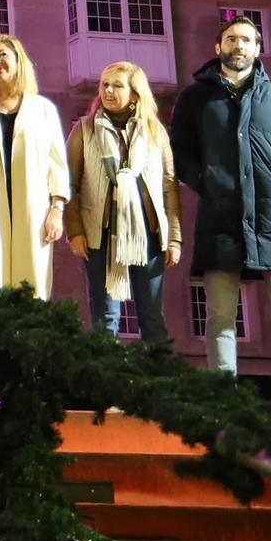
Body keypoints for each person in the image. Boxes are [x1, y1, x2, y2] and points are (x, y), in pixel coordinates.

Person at [171, 16, 271, 416]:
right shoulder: (195, 99)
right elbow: (180, 151)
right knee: (220, 313)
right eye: (232, 39)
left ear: (259, 49)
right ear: (218, 47)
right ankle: (223, 396)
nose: (240, 45)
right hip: (220, 218)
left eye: (248, 40)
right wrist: (206, 182)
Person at [67, 61, 183, 349]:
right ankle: (106, 390)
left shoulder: (156, 133)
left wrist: (175, 238)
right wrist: (75, 231)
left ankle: (158, 385)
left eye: (117, 85)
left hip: (149, 234)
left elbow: (169, 185)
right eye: (104, 84)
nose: (107, 90)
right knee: (105, 317)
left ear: (135, 93)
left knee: (152, 316)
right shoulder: (84, 130)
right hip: (99, 235)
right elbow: (69, 184)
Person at [0, 35, 70, 296]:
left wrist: (56, 210)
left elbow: (57, 164)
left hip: (34, 210)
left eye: (3, 55)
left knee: (32, 286)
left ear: (19, 60)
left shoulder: (43, 109)